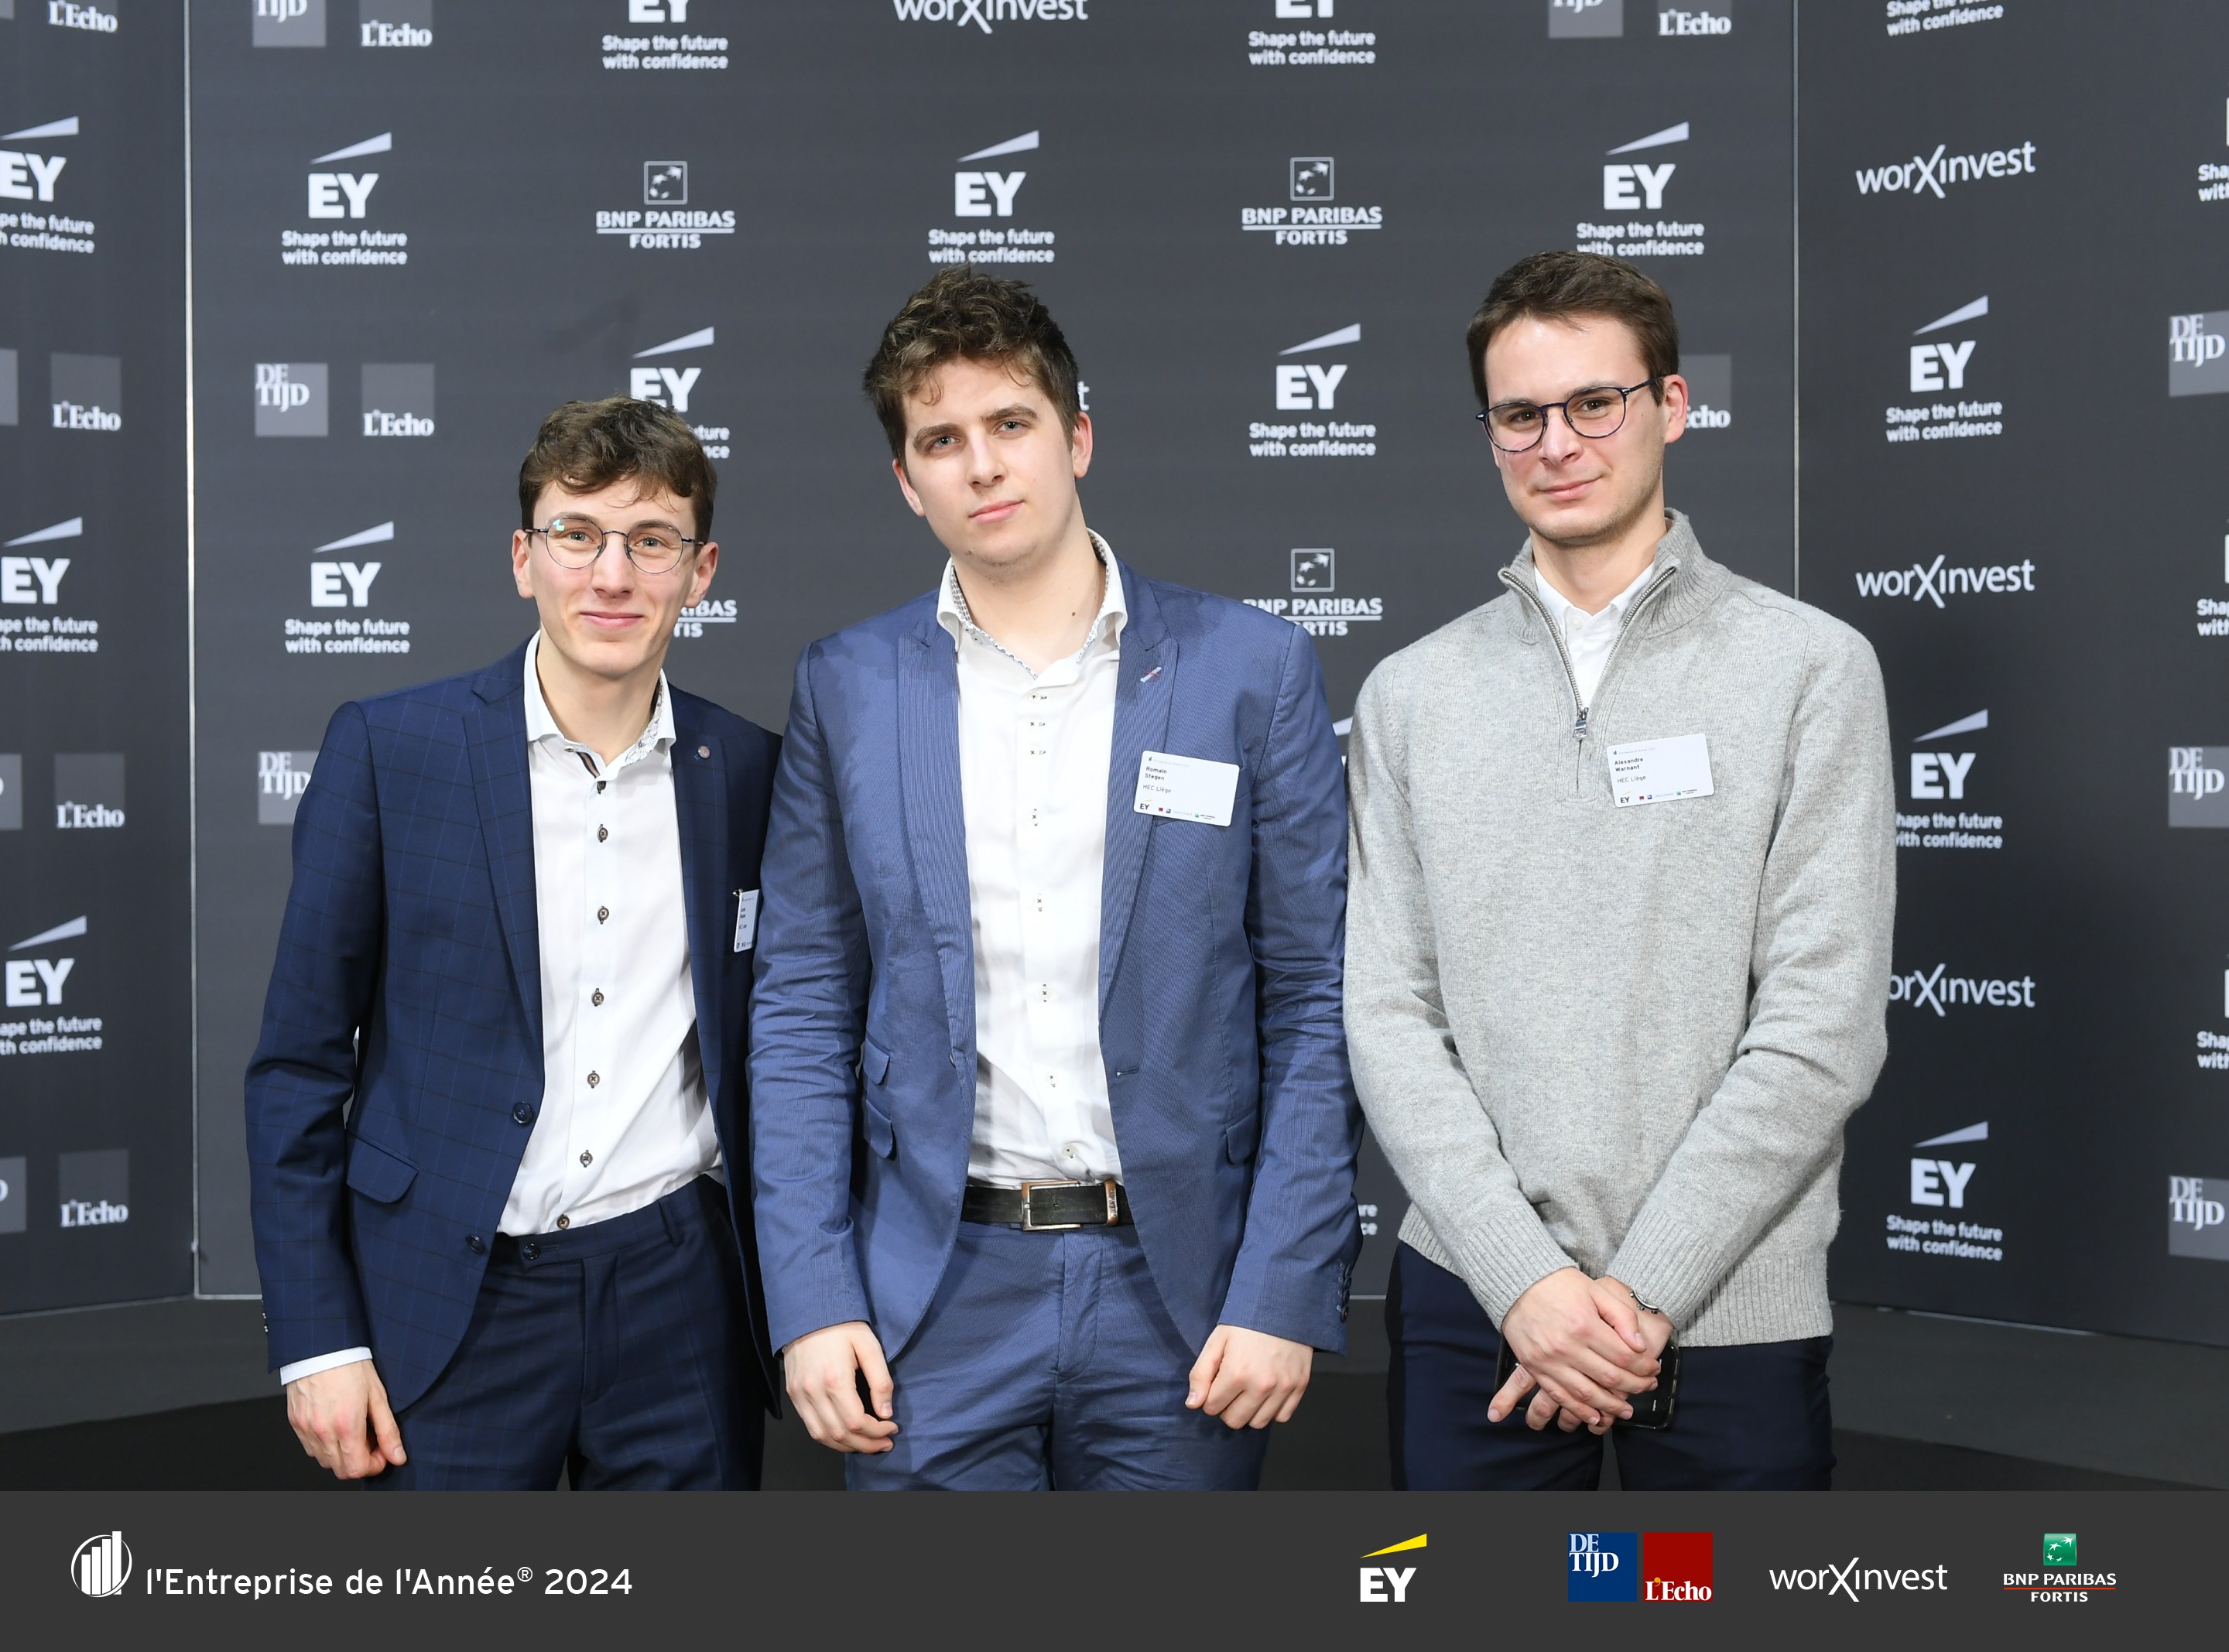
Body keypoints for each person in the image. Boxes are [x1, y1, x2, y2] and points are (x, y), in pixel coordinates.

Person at [748, 268, 1361, 1490]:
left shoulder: (1252, 671)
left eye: (1011, 423)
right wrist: (812, 1297)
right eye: (942, 440)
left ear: (1077, 437)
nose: (982, 465)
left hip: (1185, 1300)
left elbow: (1315, 993)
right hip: (932, 1298)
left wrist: (1284, 1282)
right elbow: (804, 1000)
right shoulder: (847, 685)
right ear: (907, 481)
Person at [1344, 251, 1895, 1491]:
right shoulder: (1411, 696)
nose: (1558, 444)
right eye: (1520, 415)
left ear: (1672, 406)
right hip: (1476, 1308)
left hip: (1729, 1316)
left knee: (1700, 1597)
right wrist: (1526, 1282)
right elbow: (1387, 1015)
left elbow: (1823, 1025)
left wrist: (1639, 1292)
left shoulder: (1809, 670)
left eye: (1595, 403)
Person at [245, 398, 780, 1488]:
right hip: (445, 1295)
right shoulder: (391, 752)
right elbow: (297, 1067)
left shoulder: (752, 772)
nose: (612, 576)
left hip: (682, 1295)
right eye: (577, 534)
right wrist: (318, 1337)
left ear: (701, 571)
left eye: (652, 541)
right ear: (524, 557)